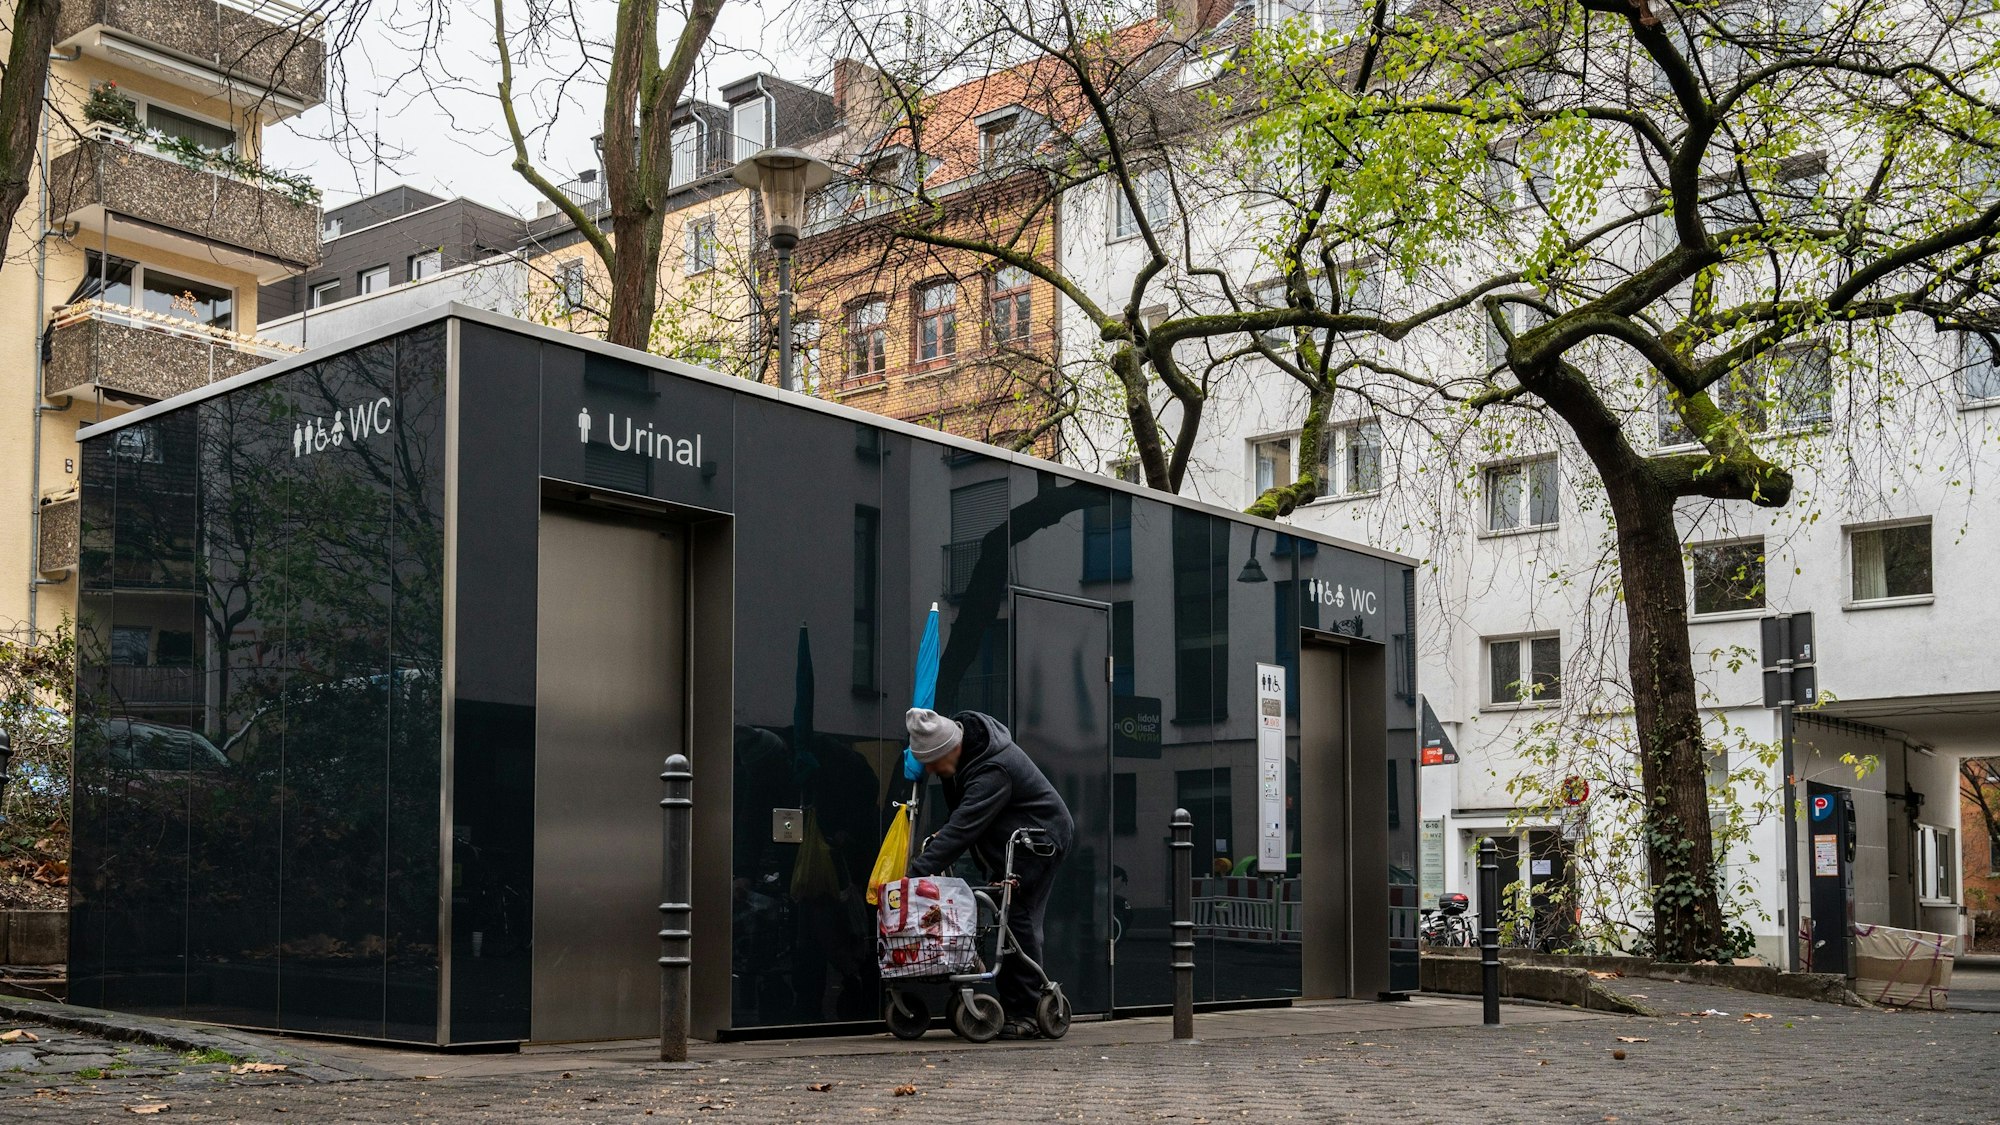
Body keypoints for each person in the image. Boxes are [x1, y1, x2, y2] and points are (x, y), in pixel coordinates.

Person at [903, 706, 1074, 1038]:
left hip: (1038, 844)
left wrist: (916, 875)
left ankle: (1025, 1014)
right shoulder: (965, 759)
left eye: (935, 763)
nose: (935, 772)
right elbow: (963, 821)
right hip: (1015, 842)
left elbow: (965, 825)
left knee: (1018, 917)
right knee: (1007, 917)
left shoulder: (993, 768)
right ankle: (1013, 1000)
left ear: (950, 749)